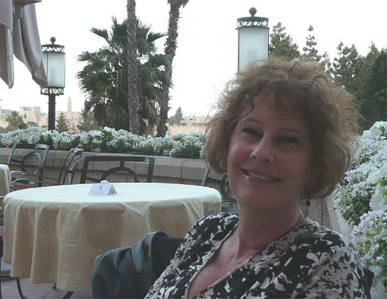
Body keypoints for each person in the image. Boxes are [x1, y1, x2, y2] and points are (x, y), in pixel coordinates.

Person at [145, 59, 367, 298]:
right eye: (251, 131)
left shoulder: (327, 259)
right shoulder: (208, 231)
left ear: (314, 165)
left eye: (287, 139)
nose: (261, 152)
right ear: (228, 141)